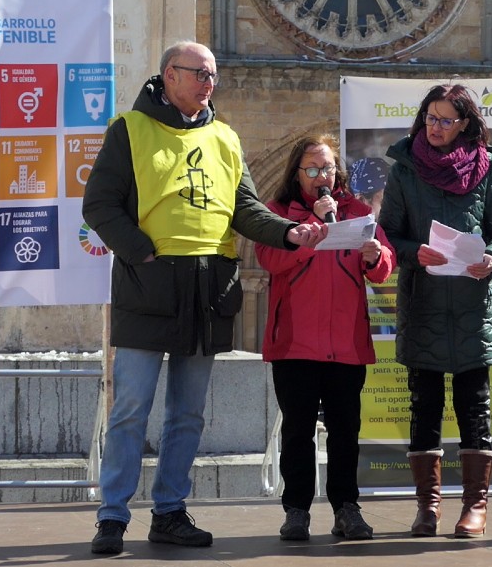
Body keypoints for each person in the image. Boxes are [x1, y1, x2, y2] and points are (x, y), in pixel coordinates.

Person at [82, 41, 328, 555]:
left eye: (213, 75)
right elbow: (100, 205)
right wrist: (141, 252)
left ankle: (170, 511)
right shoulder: (129, 129)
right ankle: (112, 516)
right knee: (130, 408)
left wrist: (289, 233)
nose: (208, 83)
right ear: (169, 75)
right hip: (149, 286)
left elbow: (246, 209)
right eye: (199, 73)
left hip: (209, 289)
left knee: (188, 413)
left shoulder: (225, 137)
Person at [378, 83, 492, 538]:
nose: (435, 127)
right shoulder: (404, 169)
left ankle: (475, 506)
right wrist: (413, 252)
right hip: (425, 304)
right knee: (425, 406)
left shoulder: (487, 167)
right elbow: (388, 233)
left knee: (475, 407)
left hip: (475, 307)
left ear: (465, 124)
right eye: (430, 118)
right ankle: (428, 507)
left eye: (445, 120)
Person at [254, 134, 396, 542]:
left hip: (345, 344)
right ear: (296, 173)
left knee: (345, 431)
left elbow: (384, 266)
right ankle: (296, 510)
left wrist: (376, 256)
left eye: (328, 169)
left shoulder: (358, 211)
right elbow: (269, 258)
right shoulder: (277, 213)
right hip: (295, 343)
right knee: (297, 432)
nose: (322, 177)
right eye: (313, 169)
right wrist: (314, 226)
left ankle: (346, 508)